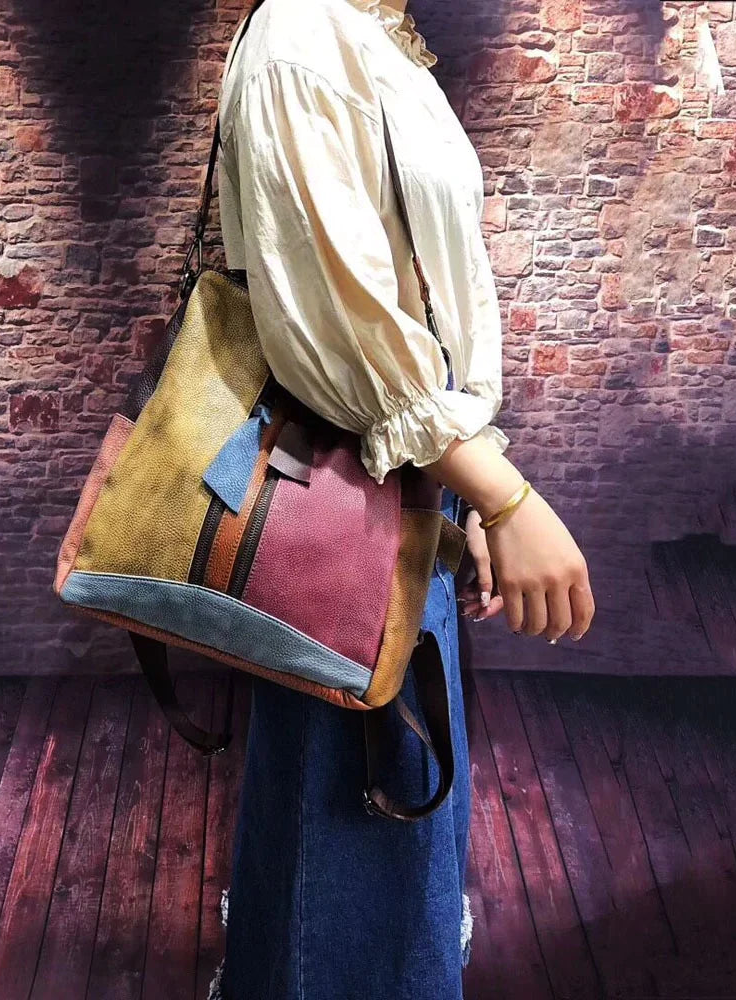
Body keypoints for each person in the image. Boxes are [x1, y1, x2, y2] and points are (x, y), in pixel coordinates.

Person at [208, 1, 596, 998]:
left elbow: (414, 297)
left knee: (373, 820)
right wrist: (506, 498)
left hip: (410, 480)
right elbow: (339, 322)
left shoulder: (371, 27)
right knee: (354, 821)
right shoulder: (304, 34)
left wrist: (469, 494)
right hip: (348, 491)